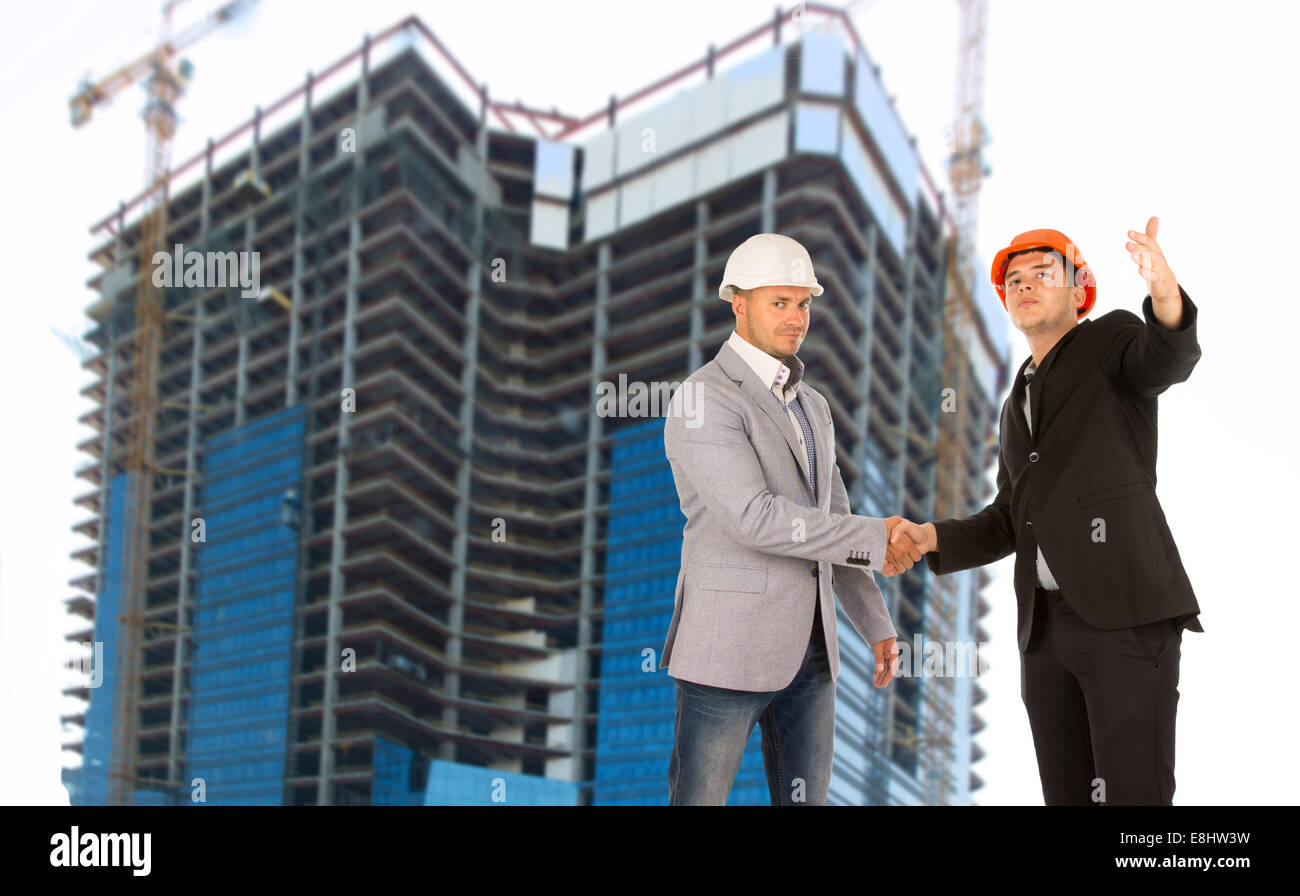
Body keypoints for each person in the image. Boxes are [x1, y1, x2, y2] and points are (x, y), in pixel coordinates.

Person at [891, 218, 1203, 805]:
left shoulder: (1109, 343)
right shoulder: (1016, 404)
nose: (1025, 284)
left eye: (1042, 272)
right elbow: (1012, 517)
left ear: (1077, 286)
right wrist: (930, 536)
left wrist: (1164, 290)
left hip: (1123, 615)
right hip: (1045, 632)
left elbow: (1166, 356)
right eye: (1014, 279)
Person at [661, 233, 921, 806]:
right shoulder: (704, 398)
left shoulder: (815, 407)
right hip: (725, 652)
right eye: (779, 302)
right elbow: (755, 518)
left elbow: (833, 521)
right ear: (739, 303)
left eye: (803, 303)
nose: (796, 317)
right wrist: (879, 537)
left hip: (812, 654)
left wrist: (875, 622)